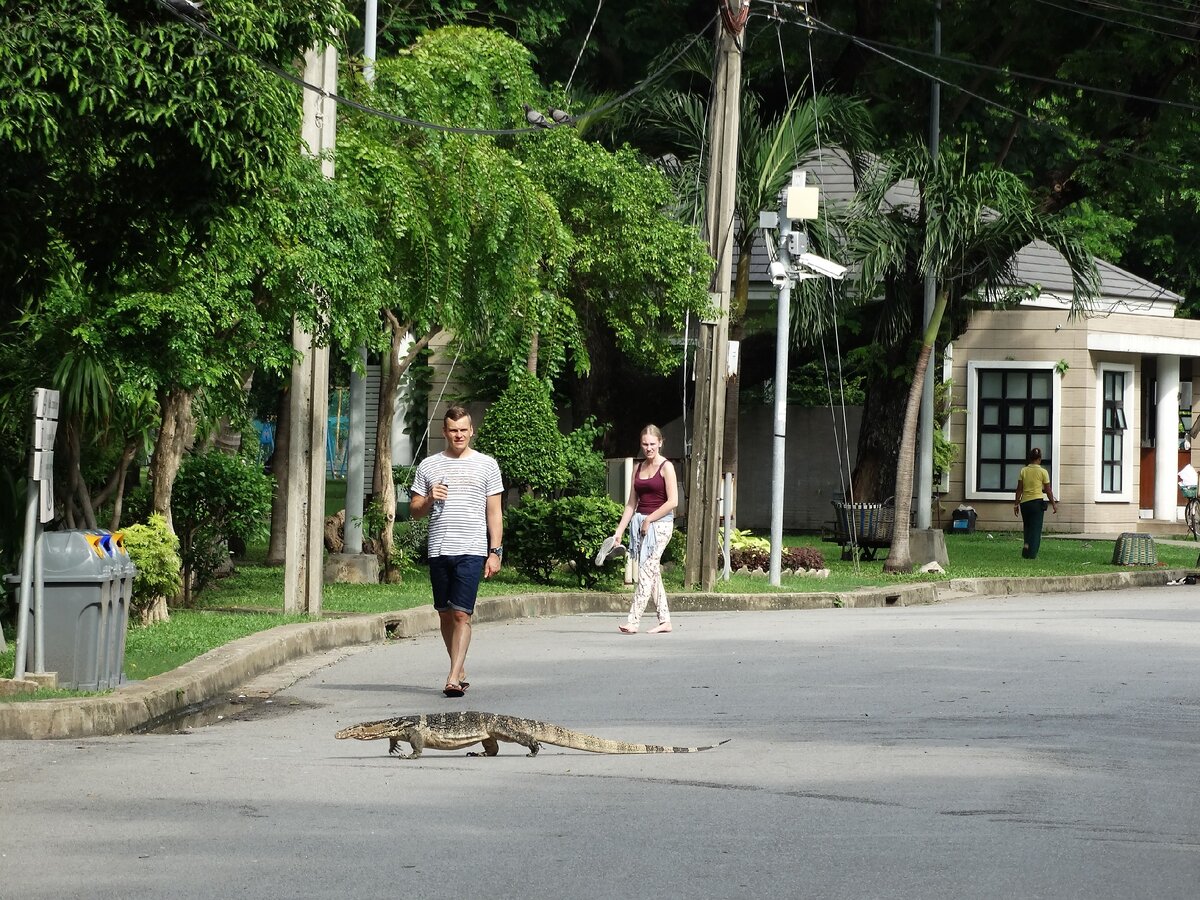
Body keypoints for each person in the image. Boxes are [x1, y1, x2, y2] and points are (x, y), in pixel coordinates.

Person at [409, 406, 504, 697]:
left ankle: (452, 677)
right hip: (439, 548)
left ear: (471, 430)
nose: (459, 435)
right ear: (445, 432)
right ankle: (458, 666)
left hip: (472, 549)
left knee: (462, 614)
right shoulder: (429, 466)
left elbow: (495, 512)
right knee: (445, 614)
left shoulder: (487, 465)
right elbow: (414, 510)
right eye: (453, 430)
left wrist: (495, 551)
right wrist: (428, 498)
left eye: (463, 429)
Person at [610, 424, 678, 634]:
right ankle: (665, 620)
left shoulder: (666, 467)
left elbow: (673, 501)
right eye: (645, 444)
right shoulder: (638, 469)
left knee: (646, 570)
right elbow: (631, 503)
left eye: (652, 444)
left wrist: (649, 519)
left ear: (660, 443)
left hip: (661, 524)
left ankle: (634, 620)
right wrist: (619, 531)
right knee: (652, 571)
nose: (648, 448)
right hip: (641, 524)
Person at [1013, 446, 1058, 559]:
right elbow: (1048, 490)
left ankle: (1026, 545)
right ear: (1039, 458)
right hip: (1037, 503)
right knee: (1036, 529)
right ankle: (1032, 554)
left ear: (1030, 458)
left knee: (1027, 526)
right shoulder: (1043, 472)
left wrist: (1016, 504)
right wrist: (1053, 503)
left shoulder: (1023, 470)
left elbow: (1019, 489)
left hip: (1025, 503)